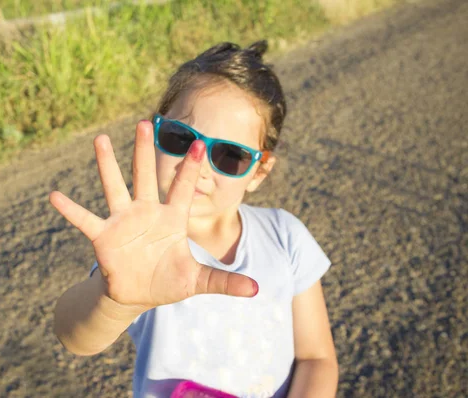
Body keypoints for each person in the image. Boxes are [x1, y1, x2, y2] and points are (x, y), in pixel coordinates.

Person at [49, 40, 338, 398]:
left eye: (230, 154)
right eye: (180, 138)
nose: (195, 164)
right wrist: (114, 301)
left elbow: (316, 358)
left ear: (259, 172)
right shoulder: (145, 247)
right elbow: (74, 336)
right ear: (155, 135)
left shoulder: (285, 237)